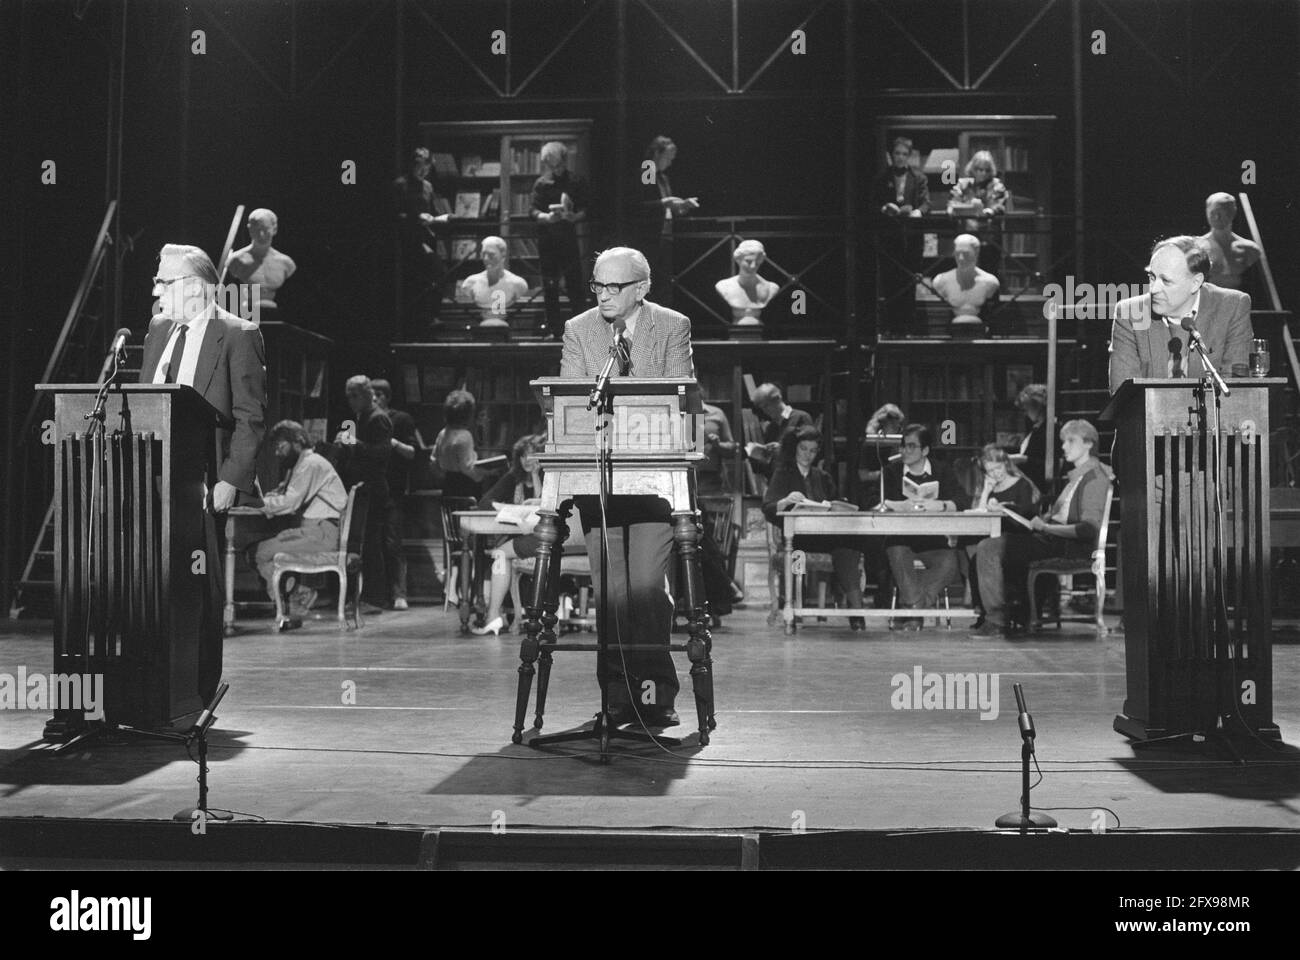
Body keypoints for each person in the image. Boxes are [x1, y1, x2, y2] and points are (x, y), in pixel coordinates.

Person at [560, 246, 692, 728]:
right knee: (613, 594)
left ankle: (655, 696)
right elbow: (568, 404)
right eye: (597, 285)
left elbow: (680, 395)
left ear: (642, 288)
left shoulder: (671, 325)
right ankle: (617, 698)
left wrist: (630, 421)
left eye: (614, 287)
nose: (603, 296)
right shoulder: (579, 329)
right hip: (598, 480)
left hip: (654, 482)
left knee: (644, 589)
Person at [138, 243, 267, 704]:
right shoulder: (157, 329)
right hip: (147, 478)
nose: (155, 289)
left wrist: (231, 478)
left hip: (204, 483)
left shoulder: (238, 333)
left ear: (193, 286)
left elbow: (250, 417)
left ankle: (197, 691)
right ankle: (150, 687)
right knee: (149, 583)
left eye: (163, 281)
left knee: (198, 587)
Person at [973, 420, 1113, 637]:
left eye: (1070, 441)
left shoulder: (1094, 478)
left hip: (1067, 546)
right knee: (1000, 544)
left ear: (1088, 444)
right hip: (1054, 540)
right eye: (1063, 441)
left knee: (988, 548)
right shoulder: (1078, 476)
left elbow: (1088, 529)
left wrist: (1045, 527)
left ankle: (997, 620)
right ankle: (1013, 613)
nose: (1064, 447)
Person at [472, 434, 588, 637]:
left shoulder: (549, 476)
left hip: (549, 537)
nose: (528, 461)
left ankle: (492, 617)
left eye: (532, 456)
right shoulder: (513, 478)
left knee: (499, 553)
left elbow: (546, 504)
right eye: (523, 456)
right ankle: (497, 615)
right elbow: (485, 502)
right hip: (550, 537)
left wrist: (535, 477)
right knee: (501, 553)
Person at [1108, 235, 1253, 394]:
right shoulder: (1130, 314)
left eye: (1166, 281)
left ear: (1195, 283)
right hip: (1150, 418)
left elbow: (1236, 391)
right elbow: (1124, 397)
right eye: (1152, 277)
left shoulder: (1232, 306)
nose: (1154, 289)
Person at [762, 427, 867, 630]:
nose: (807, 455)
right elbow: (768, 507)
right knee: (839, 545)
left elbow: (835, 502)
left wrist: (835, 505)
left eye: (812, 450)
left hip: (825, 535)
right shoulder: (783, 474)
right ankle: (793, 610)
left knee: (848, 546)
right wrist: (785, 501)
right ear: (794, 449)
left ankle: (856, 610)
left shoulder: (822, 476)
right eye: (803, 449)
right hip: (797, 537)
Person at [249, 420, 348, 629]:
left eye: (281, 446)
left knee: (259, 552)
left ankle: (296, 598)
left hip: (323, 534)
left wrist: (256, 504)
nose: (277, 453)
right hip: (317, 531)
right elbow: (287, 495)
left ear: (297, 442)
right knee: (257, 550)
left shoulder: (309, 464)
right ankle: (296, 596)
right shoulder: (303, 464)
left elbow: (289, 503)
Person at [881, 423, 970, 630]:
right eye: (902, 446)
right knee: (897, 554)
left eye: (911, 446)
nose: (904, 451)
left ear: (925, 450)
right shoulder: (891, 471)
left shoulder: (942, 470)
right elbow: (876, 501)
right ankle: (915, 612)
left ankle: (911, 608)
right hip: (900, 538)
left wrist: (942, 505)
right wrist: (897, 505)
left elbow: (962, 500)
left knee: (950, 564)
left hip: (932, 538)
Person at [327, 375, 393, 610]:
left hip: (373, 490)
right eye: (348, 397)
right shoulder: (358, 418)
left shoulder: (378, 419)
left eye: (355, 396)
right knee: (360, 544)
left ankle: (375, 598)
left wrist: (354, 443)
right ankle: (359, 596)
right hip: (359, 491)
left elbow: (383, 453)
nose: (351, 401)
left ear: (367, 394)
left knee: (372, 544)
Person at [965, 444, 1038, 628]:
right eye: (990, 471)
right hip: (993, 537)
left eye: (998, 468)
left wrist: (1004, 508)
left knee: (989, 554)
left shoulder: (1021, 484)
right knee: (975, 559)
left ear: (1006, 463)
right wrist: (986, 492)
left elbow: (1027, 514)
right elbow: (978, 516)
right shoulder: (988, 487)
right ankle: (984, 612)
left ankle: (1009, 612)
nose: (996, 473)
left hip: (1017, 535)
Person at [531, 141, 591, 336]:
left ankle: (582, 332)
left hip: (568, 239)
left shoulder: (576, 181)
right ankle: (555, 330)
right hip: (547, 241)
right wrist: (546, 217)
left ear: (565, 161)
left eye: (559, 165)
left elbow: (586, 209)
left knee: (575, 285)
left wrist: (574, 216)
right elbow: (532, 211)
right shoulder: (541, 183)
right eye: (551, 166)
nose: (555, 169)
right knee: (550, 287)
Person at [872, 136, 930, 333]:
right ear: (891, 155)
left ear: (909, 156)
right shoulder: (881, 178)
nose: (900, 158)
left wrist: (917, 212)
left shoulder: (919, 177)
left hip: (911, 238)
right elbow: (873, 203)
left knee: (910, 282)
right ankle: (890, 328)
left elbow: (926, 203)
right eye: (897, 153)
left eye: (904, 154)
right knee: (890, 283)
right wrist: (884, 208)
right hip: (889, 238)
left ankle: (908, 328)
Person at [371, 379, 420, 611]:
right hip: (368, 490)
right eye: (370, 394)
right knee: (371, 544)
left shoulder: (401, 419)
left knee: (392, 543)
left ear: (386, 397)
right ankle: (374, 596)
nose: (374, 399)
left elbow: (412, 453)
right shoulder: (360, 419)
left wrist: (393, 442)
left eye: (378, 394)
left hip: (393, 490)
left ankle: (399, 593)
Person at [635, 136, 699, 305]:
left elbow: (663, 204)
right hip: (651, 235)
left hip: (665, 234)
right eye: (667, 157)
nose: (670, 162)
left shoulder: (663, 177)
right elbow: (643, 202)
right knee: (652, 279)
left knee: (664, 280)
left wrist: (681, 206)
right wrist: (665, 203)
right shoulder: (648, 169)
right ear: (657, 153)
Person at [393, 147, 450, 331]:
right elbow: (393, 215)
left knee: (436, 273)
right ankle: (421, 318)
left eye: (426, 167)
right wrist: (414, 218)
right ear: (412, 165)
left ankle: (430, 316)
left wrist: (438, 218)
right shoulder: (400, 185)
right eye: (419, 166)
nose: (422, 171)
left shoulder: (427, 186)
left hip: (426, 237)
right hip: (406, 239)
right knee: (426, 274)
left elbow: (432, 211)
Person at [225, 207, 296, 322]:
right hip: (247, 314)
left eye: (265, 229)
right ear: (249, 229)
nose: (261, 234)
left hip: (273, 315)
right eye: (256, 229)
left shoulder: (286, 263)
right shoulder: (236, 261)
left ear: (275, 229)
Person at [948, 150, 1008, 278]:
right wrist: (952, 209)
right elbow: (953, 202)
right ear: (973, 168)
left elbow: (999, 205)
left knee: (990, 274)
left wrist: (988, 211)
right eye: (979, 169)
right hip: (966, 236)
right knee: (965, 274)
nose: (982, 173)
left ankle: (991, 298)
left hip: (989, 237)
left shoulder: (997, 185)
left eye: (986, 170)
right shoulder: (963, 184)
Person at [455, 236, 530, 329]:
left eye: (491, 255)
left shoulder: (518, 284)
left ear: (503, 255)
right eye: (483, 254)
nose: (486, 259)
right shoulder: (470, 283)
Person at [748, 382, 814, 476]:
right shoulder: (771, 427)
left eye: (767, 405)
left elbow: (809, 451)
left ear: (778, 399)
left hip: (797, 479)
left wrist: (781, 449)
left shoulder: (801, 418)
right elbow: (767, 466)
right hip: (777, 481)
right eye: (762, 408)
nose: (765, 411)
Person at [932, 234, 1000, 325]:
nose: (961, 258)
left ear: (976, 253)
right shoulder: (941, 281)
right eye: (957, 253)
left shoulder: (990, 282)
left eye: (966, 254)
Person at [1201, 192, 1261, 291]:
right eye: (1212, 213)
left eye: (1220, 213)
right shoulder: (1198, 247)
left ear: (1231, 213)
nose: (1216, 217)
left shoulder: (1250, 249)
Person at [432, 389, 485, 499]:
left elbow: (434, 460)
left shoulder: (442, 433)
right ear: (468, 415)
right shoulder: (465, 436)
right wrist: (481, 475)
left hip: (447, 483)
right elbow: (466, 467)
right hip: (465, 485)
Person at [714, 239, 779, 328]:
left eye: (757, 261)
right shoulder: (723, 286)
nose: (753, 266)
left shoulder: (771, 288)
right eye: (748, 261)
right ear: (738, 260)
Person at [1010, 383, 1052, 494]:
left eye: (1026, 408)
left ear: (1037, 406)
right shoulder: (1036, 428)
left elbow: (1050, 464)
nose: (1025, 413)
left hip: (1037, 487)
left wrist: (1022, 459)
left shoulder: (1050, 429)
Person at [697, 401, 739, 496]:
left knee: (711, 509)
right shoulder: (677, 413)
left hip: (710, 478)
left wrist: (718, 445)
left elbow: (732, 447)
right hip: (683, 475)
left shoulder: (717, 413)